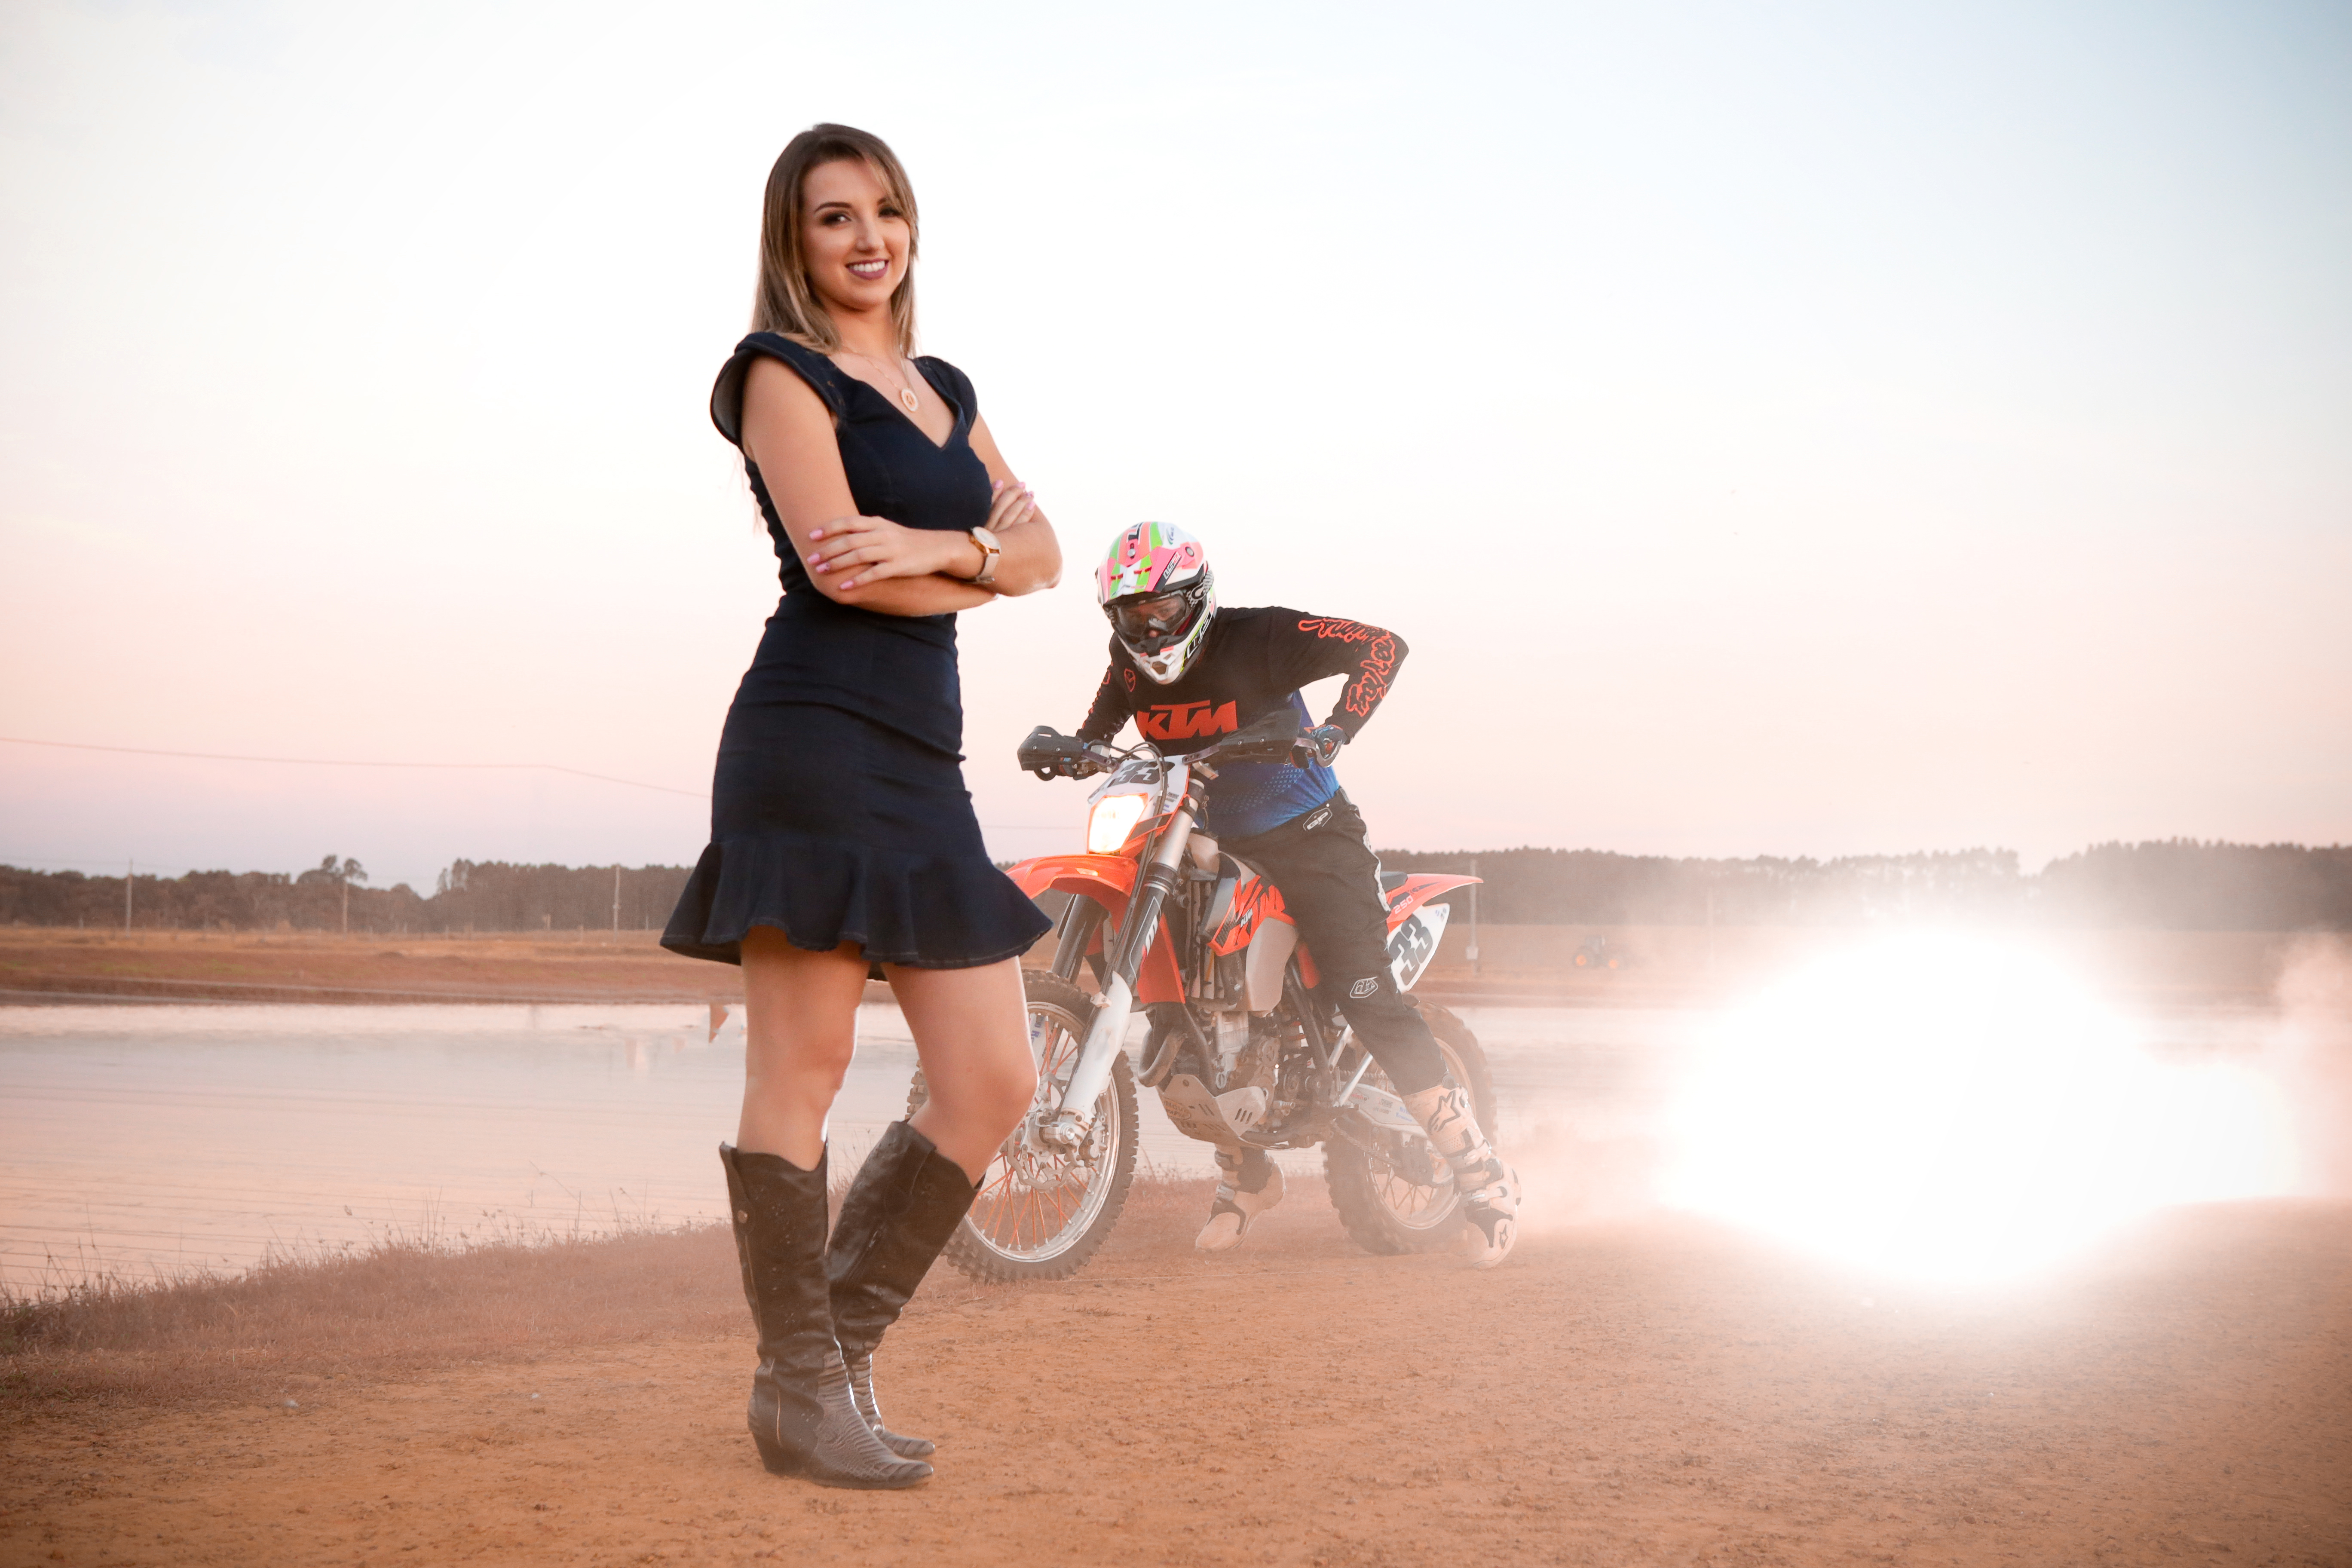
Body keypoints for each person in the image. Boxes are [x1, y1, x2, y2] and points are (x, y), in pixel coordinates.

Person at [662, 124, 1061, 1490]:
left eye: (886, 210)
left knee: (998, 1079)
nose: (866, 237)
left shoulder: (945, 386)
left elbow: (1047, 551)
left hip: (924, 761)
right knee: (807, 1071)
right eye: (835, 218)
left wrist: (949, 548)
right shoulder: (778, 376)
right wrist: (980, 570)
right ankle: (803, 1391)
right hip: (813, 739)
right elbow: (840, 573)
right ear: (796, 239)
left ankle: (821, 1361)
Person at [1072, 522, 1521, 1267]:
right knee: (1169, 998)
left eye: (1162, 612)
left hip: (1311, 836)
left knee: (1367, 993)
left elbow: (1383, 647)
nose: (1147, 630)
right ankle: (1247, 1175)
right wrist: (1070, 746)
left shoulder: (1264, 637)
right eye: (1130, 617)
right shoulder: (1129, 663)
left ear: (1198, 598)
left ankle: (1481, 1172)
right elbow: (1101, 729)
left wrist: (1337, 729)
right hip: (1202, 839)